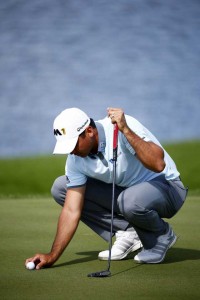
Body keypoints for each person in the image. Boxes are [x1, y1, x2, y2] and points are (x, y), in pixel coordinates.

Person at [25, 107, 188, 269]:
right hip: (129, 195)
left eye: (73, 144)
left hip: (167, 187)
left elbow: (159, 164)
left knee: (128, 200)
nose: (72, 152)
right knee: (61, 188)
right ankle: (129, 231)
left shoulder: (122, 127)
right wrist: (52, 255)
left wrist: (126, 130)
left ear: (89, 131)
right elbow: (71, 210)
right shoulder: (75, 160)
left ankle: (160, 235)